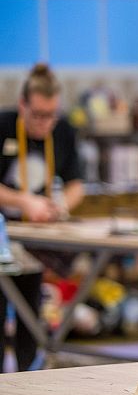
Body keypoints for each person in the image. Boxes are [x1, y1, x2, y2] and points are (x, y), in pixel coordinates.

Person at [0, 63, 84, 371]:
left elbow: (76, 185)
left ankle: (27, 380)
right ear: (22, 105)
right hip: (4, 233)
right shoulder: (3, 125)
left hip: (34, 239)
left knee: (30, 314)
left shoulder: (62, 131)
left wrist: (59, 207)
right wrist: (23, 200)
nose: (44, 123)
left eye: (51, 115)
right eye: (37, 115)